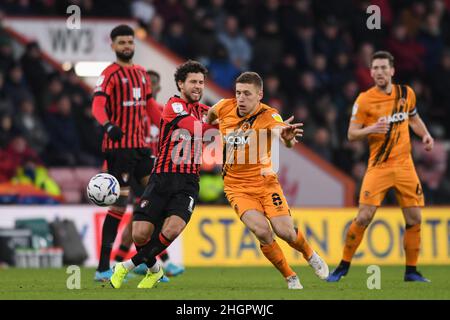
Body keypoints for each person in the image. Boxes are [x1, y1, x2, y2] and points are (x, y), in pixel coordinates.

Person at [206, 71, 329, 289]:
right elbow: (210, 116)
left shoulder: (269, 116)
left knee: (285, 232)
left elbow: (282, 132)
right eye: (238, 93)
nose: (241, 98)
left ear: (259, 94)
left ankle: (310, 254)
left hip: (265, 183)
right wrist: (206, 126)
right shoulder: (224, 106)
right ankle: (290, 276)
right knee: (262, 231)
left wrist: (288, 138)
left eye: (247, 94)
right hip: (236, 186)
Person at [327, 51, 434, 283]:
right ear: (371, 72)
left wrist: (425, 135)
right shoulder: (364, 99)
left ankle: (411, 271)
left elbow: (414, 118)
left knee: (415, 218)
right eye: (375, 68)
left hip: (405, 167)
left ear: (392, 70)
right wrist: (371, 129)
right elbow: (351, 134)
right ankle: (342, 266)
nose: (379, 72)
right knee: (364, 216)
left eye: (384, 67)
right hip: (379, 167)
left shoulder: (406, 93)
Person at [110, 60, 217, 289]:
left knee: (172, 229)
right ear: (180, 84)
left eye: (201, 82)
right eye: (193, 82)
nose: (198, 86)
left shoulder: (205, 111)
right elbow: (195, 128)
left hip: (188, 182)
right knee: (140, 234)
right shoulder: (174, 106)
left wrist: (269, 126)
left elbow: (231, 118)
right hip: (162, 178)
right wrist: (222, 122)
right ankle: (155, 271)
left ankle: (126, 265)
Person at [91, 25, 161, 281]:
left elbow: (151, 106)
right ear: (113, 46)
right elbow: (97, 105)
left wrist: (168, 124)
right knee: (119, 207)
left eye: (130, 42)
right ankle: (102, 268)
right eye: (122, 42)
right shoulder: (108, 74)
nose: (127, 46)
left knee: (155, 198)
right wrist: (108, 125)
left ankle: (147, 263)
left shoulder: (142, 74)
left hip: (141, 148)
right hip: (119, 150)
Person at [113, 70, 185, 279]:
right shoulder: (131, 115)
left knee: (140, 220)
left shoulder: (162, 113)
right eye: (146, 84)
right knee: (149, 216)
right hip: (137, 172)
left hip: (157, 173)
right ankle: (161, 263)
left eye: (153, 84)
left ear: (158, 88)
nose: (149, 87)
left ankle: (123, 263)